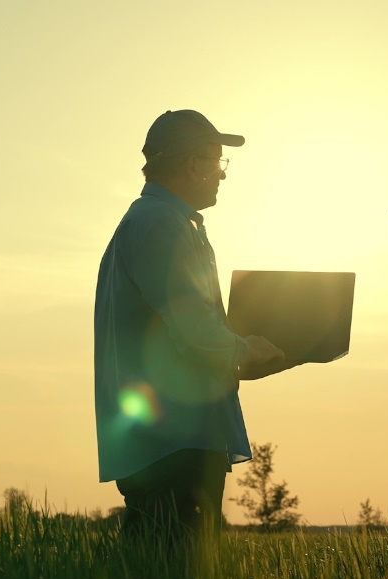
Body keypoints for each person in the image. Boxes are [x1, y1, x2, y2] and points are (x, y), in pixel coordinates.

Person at [94, 110, 287, 542]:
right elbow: (193, 326)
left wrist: (240, 352)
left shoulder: (161, 221)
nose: (222, 175)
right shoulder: (160, 224)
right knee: (176, 577)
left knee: (161, 572)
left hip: (169, 438)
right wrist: (245, 351)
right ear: (192, 164)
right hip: (173, 441)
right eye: (217, 162)